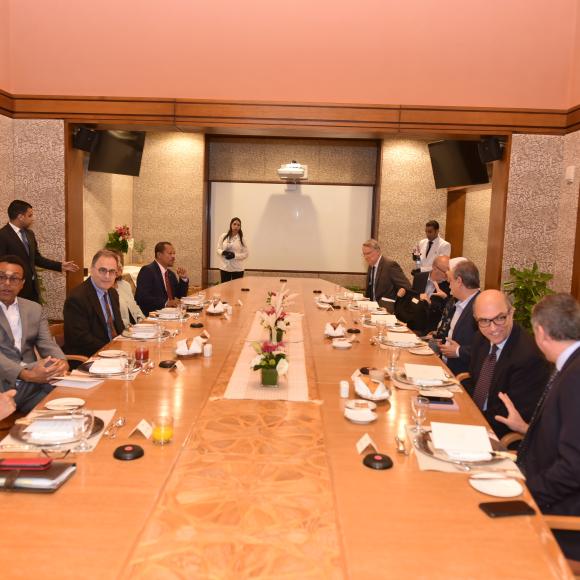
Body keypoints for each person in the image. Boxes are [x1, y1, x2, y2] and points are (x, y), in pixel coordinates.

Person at [496, 294, 580, 562]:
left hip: (561, 515)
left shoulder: (574, 377)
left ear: (541, 332)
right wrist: (524, 428)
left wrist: (527, 493)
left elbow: (574, 466)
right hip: (541, 479)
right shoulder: (570, 366)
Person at [468, 289, 549, 438]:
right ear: (476, 319)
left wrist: (467, 423)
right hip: (475, 419)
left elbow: (509, 416)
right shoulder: (480, 339)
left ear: (512, 313)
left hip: (499, 434)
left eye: (500, 318)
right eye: (484, 321)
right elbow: (474, 381)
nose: (493, 328)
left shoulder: (528, 357)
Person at [0, 255, 68, 413]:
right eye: (2, 277)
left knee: (69, 406)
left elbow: (47, 344)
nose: (7, 283)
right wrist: (26, 374)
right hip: (4, 387)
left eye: (14, 279)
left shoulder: (34, 309)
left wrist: (61, 363)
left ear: (22, 284)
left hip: (35, 386)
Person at [0, 200, 79, 303]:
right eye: (30, 215)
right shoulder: (3, 235)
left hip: (32, 288)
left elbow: (36, 258)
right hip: (13, 290)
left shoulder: (30, 234)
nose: (32, 219)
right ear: (20, 216)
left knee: (33, 316)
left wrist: (60, 266)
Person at [63, 249, 125, 357]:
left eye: (111, 271)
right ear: (92, 270)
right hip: (88, 358)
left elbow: (118, 327)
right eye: (102, 270)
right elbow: (80, 339)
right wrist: (111, 349)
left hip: (114, 353)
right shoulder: (77, 298)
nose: (107, 276)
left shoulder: (112, 293)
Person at [438, 259, 480, 375]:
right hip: (444, 366)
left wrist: (458, 351)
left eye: (450, 281)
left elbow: (486, 349)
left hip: (461, 376)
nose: (449, 285)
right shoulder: (457, 303)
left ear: (459, 281)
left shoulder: (480, 307)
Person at [395, 256, 451, 334]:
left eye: (449, 271)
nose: (447, 275)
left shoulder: (449, 285)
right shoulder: (419, 277)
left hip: (431, 331)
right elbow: (414, 299)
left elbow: (447, 311)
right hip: (414, 327)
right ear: (434, 268)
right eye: (445, 271)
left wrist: (430, 303)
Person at [135, 242, 189, 316]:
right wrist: (165, 303)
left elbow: (180, 295)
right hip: (153, 316)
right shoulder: (148, 271)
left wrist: (183, 279)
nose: (173, 256)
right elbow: (142, 297)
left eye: (174, 253)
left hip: (171, 315)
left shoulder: (170, 274)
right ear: (159, 255)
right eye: (170, 253)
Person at [112, 251, 144, 327]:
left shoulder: (125, 285)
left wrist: (141, 319)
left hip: (137, 328)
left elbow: (135, 306)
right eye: (117, 262)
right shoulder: (105, 289)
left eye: (121, 262)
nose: (120, 266)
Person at [216, 217, 249, 283]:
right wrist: (223, 252)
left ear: (240, 227)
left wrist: (234, 255)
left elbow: (246, 254)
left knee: (236, 290)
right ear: (231, 225)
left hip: (237, 269)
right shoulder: (223, 236)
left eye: (238, 225)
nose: (236, 226)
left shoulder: (242, 239)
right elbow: (218, 249)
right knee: (225, 290)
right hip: (225, 267)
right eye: (234, 224)